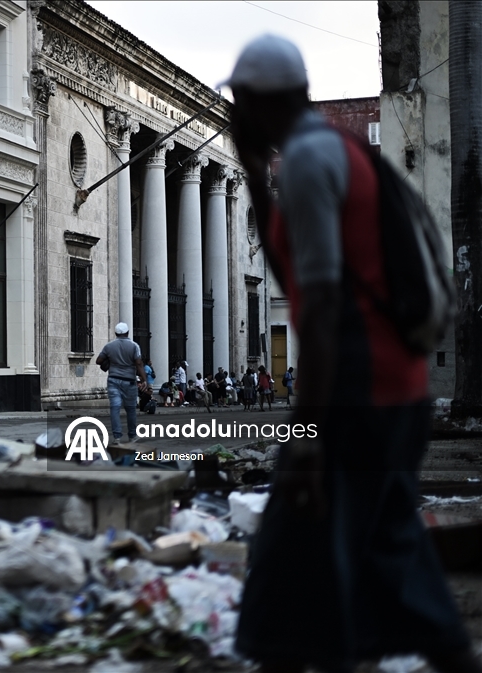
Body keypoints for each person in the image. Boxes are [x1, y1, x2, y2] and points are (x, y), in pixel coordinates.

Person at [227, 35, 479, 673]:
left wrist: (307, 430)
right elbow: (295, 276)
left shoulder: (311, 163)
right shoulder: (332, 152)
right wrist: (255, 177)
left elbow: (323, 305)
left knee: (296, 536)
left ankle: (304, 652)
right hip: (396, 386)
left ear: (259, 100)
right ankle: (445, 650)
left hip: (355, 387)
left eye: (239, 100)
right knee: (387, 532)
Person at [95, 322, 143, 444]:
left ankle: (117, 437)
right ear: (127, 332)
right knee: (131, 409)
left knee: (115, 408)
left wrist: (110, 361)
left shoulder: (109, 346)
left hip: (113, 380)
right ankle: (132, 436)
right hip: (129, 381)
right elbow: (138, 363)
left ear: (116, 333)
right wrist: (144, 379)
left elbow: (99, 360)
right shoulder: (134, 346)